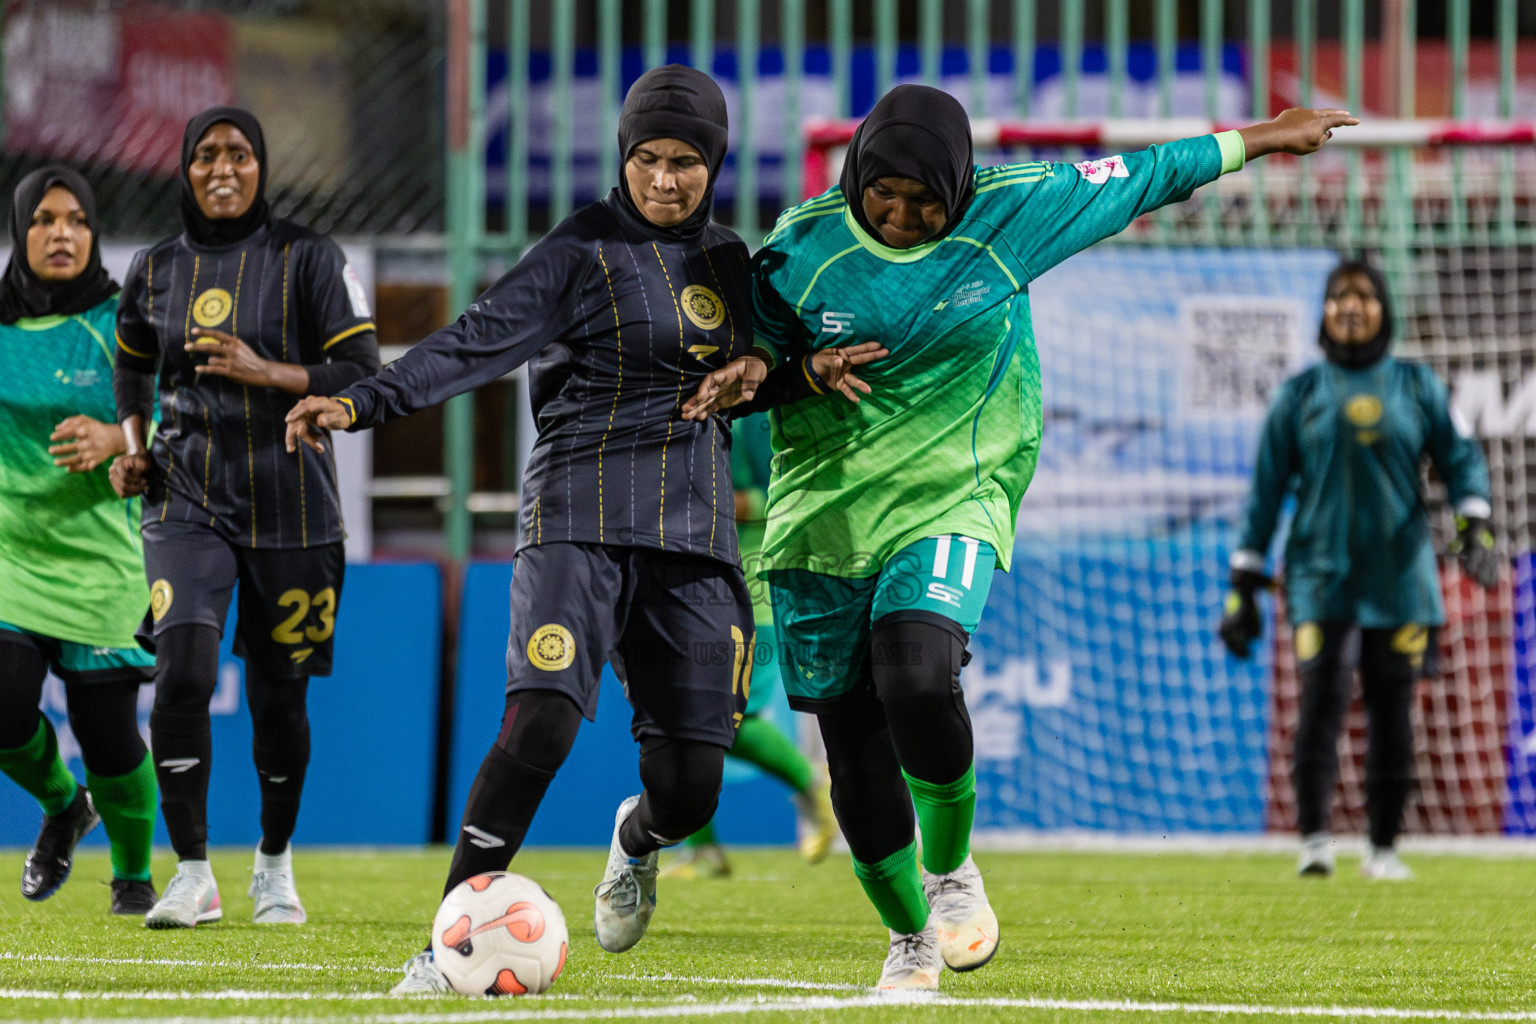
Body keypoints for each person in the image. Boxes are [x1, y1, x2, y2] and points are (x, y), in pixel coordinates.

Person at [683, 85, 1358, 991]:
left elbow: (1149, 175)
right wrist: (782, 371)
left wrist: (1265, 140)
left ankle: (953, 874)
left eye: (927, 199)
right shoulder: (799, 250)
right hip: (824, 516)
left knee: (917, 670)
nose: (904, 215)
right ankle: (908, 939)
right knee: (855, 757)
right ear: (855, 175)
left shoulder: (1015, 211)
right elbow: (754, 370)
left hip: (957, 496)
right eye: (884, 193)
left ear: (961, 186)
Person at [284, 65, 878, 994]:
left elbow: (764, 376)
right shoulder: (580, 250)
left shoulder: (733, 264)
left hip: (692, 539)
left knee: (689, 788)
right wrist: (358, 402)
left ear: (714, 165)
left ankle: (635, 839)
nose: (666, 179)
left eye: (687, 160)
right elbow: (472, 341)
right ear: (624, 157)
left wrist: (804, 372)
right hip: (579, 518)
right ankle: (446, 950)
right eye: (649, 158)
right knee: (543, 720)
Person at [110, 106, 381, 928]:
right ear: (185, 170)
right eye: (205, 156)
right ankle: (192, 872)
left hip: (294, 507)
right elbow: (130, 369)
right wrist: (133, 446)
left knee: (278, 700)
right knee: (184, 672)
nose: (221, 169)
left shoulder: (309, 257)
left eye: (237, 155)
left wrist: (270, 371)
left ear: (261, 166)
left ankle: (273, 866)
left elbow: (362, 368)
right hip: (185, 499)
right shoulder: (155, 269)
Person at [1219, 258, 1498, 882]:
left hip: (1400, 578)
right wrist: (1243, 587)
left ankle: (1383, 849)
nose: (1350, 306)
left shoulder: (1419, 387)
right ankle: (1315, 843)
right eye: (1338, 296)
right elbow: (1264, 496)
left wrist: (1474, 523)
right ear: (1323, 312)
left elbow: (1462, 461)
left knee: (1393, 713)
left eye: (1364, 296)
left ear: (1383, 309)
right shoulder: (1298, 395)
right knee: (1321, 701)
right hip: (1320, 576)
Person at [0, 166, 159, 915]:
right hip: (11, 558)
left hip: (103, 562)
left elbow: (184, 417)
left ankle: (132, 876)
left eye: (76, 221)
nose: (60, 233)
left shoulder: (123, 319)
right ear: (20, 230)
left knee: (110, 738)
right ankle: (67, 807)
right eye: (43, 220)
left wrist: (117, 435)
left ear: (94, 234)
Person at [660, 413, 837, 880]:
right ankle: (704, 849)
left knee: (727, 722)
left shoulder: (760, 412)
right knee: (677, 718)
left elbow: (790, 488)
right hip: (695, 583)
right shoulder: (689, 397)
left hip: (753, 589)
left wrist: (727, 502)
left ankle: (813, 784)